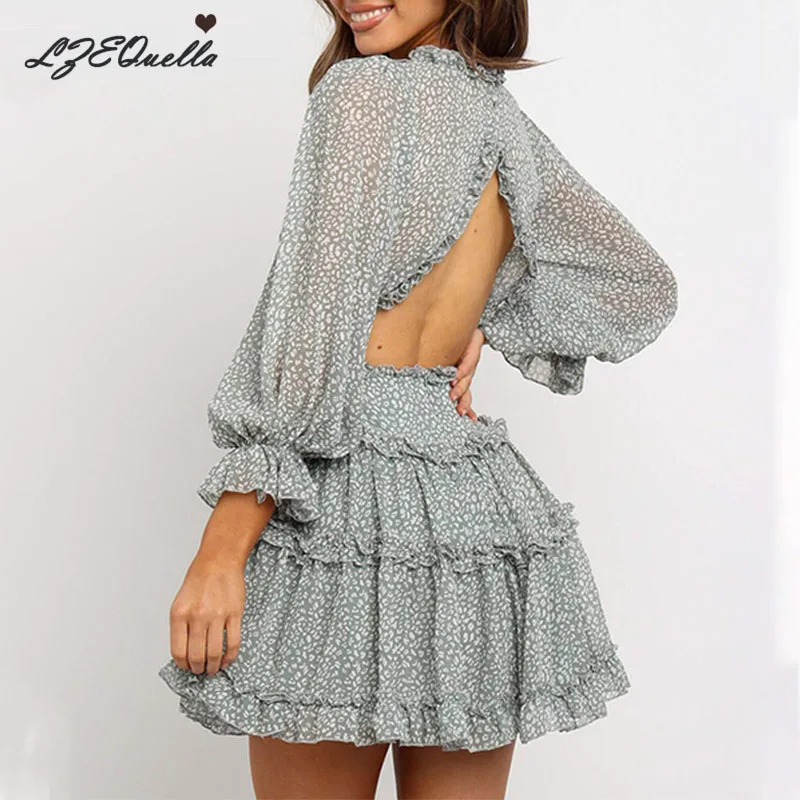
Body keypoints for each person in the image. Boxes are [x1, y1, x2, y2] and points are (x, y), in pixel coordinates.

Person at [158, 1, 679, 797]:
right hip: (473, 513)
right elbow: (637, 284)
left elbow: (311, 336)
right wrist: (481, 319)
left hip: (339, 506)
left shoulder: (358, 94)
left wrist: (220, 552)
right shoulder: (500, 119)